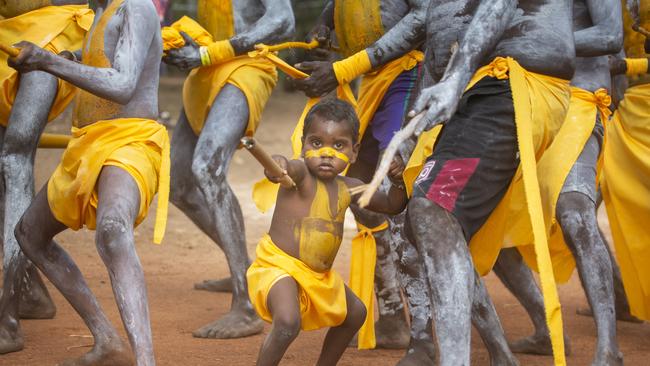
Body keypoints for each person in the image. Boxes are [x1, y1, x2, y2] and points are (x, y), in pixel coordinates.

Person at [403, 0, 580, 364]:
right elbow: (440, 33)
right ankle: (501, 354)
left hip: (507, 90)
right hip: (486, 94)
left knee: (433, 210)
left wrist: (454, 78)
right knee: (431, 218)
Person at [5, 0, 166, 364]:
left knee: (112, 229)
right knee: (29, 233)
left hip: (130, 142)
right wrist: (71, 58)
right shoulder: (100, 12)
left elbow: (123, 84)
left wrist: (48, 62)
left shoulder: (136, 7)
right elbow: (103, 60)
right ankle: (107, 338)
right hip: (87, 143)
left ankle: (146, 362)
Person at [289, 0, 432, 359]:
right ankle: (393, 318)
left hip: (407, 78)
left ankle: (423, 336)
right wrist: (325, 22)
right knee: (364, 201)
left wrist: (343, 67)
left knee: (396, 202)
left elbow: (422, 15)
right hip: (371, 82)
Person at [488, 0, 624, 363]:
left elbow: (611, 35)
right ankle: (546, 331)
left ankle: (608, 348)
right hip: (521, 103)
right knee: (491, 224)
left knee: (574, 213)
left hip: (578, 99)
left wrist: (527, 41)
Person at [162, 0, 295, 339]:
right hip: (207, 69)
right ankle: (245, 270)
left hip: (247, 66)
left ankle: (246, 304)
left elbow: (283, 19)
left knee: (206, 167)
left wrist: (210, 53)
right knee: (178, 184)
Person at [247, 98, 407, 366]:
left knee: (356, 313)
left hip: (318, 277)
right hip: (279, 267)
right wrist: (277, 165)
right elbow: (283, 165)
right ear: (303, 144)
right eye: (317, 143)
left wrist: (399, 181)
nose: (327, 153)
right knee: (287, 322)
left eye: (339, 145)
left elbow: (392, 204)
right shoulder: (299, 175)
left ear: (354, 152)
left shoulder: (350, 187)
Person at [0, 0, 93, 354]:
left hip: (54, 36)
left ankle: (7, 320)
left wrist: (77, 55)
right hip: (10, 34)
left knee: (14, 157)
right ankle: (30, 291)